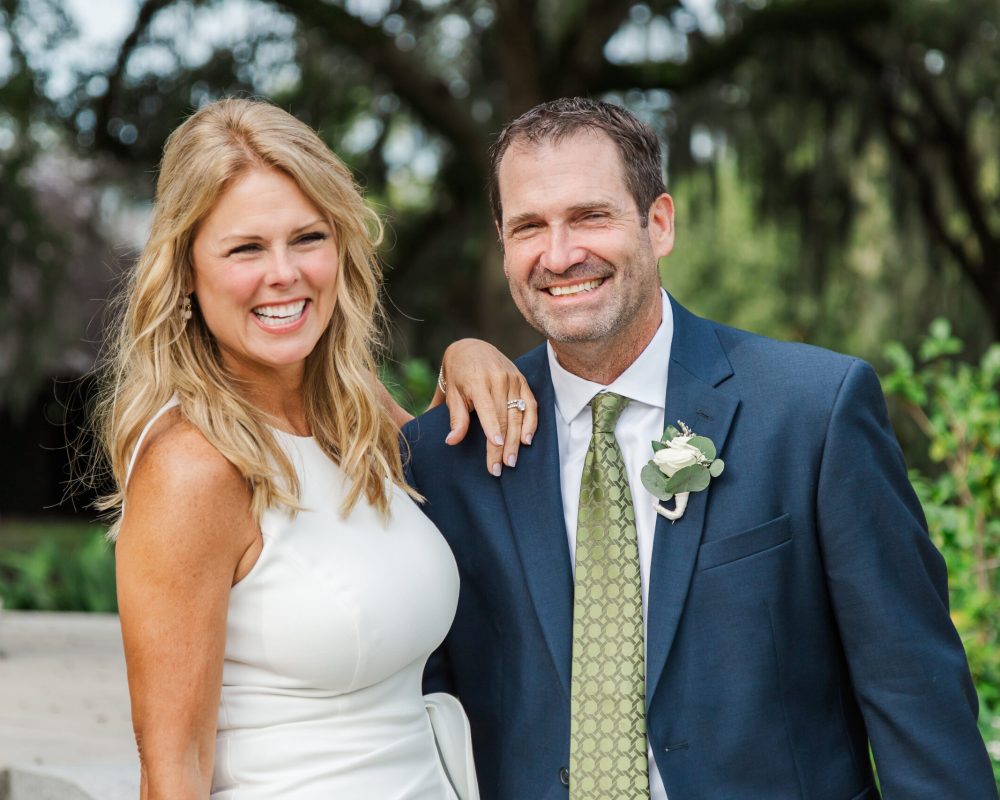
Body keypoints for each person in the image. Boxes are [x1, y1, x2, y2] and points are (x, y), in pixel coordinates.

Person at [404, 97, 997, 799]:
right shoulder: (448, 456)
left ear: (658, 223)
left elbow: (914, 699)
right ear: (504, 242)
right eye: (530, 226)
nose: (560, 255)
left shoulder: (813, 411)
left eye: (591, 216)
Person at [94, 97, 536, 799]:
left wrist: (469, 351)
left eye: (307, 237)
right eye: (245, 248)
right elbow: (171, 770)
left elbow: (449, 463)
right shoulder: (192, 467)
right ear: (185, 272)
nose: (285, 274)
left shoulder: (358, 415)